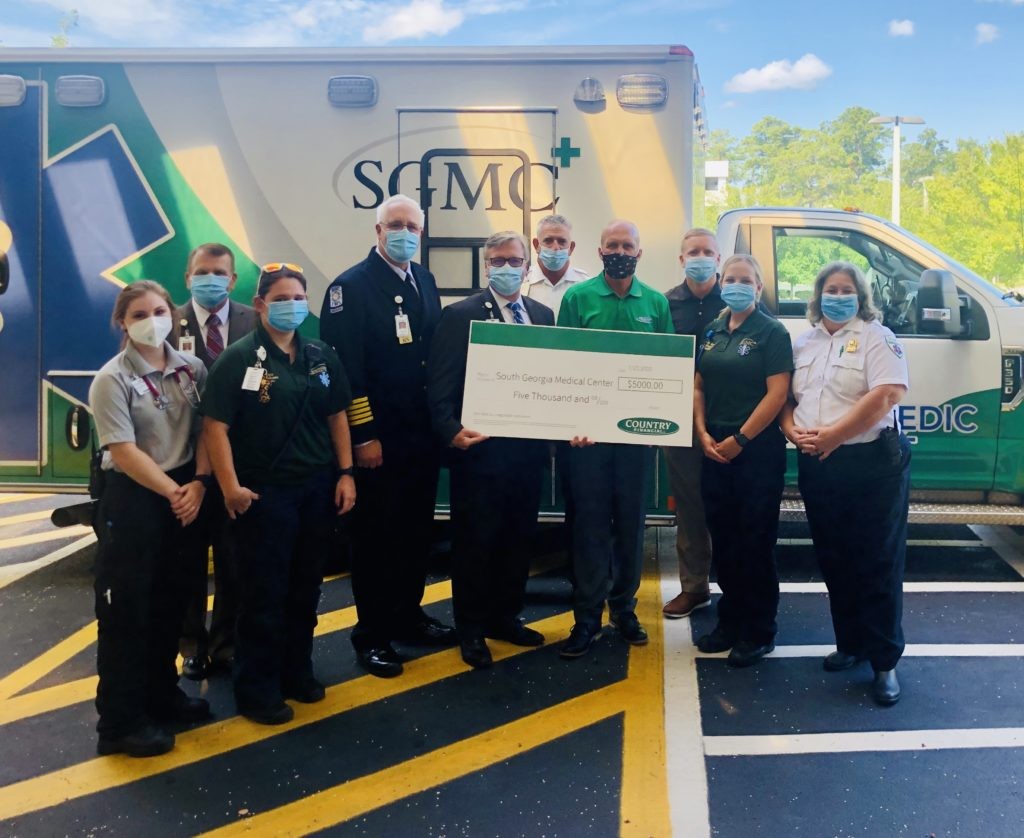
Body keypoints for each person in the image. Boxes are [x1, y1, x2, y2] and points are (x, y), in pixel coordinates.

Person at [202, 263, 356, 725]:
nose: (292, 306)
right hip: (263, 494)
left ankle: (296, 670)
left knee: (305, 588)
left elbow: (337, 417)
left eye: (298, 297)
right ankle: (257, 687)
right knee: (263, 593)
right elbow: (215, 427)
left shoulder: (320, 355)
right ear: (260, 304)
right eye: (282, 298)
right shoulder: (239, 359)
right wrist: (229, 488)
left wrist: (346, 473)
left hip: (314, 490)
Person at [319, 194, 456, 678]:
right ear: (377, 231)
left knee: (415, 533)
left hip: (420, 437)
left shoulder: (425, 279)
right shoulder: (350, 288)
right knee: (375, 539)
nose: (404, 233)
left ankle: (408, 615)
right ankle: (372, 635)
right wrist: (363, 435)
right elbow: (344, 371)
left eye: (412, 226)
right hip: (378, 441)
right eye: (394, 225)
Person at [89, 280, 212, 757]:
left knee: (170, 603)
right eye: (138, 314)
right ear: (123, 322)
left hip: (184, 491)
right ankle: (119, 723)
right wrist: (175, 492)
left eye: (159, 310)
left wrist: (199, 483)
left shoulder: (191, 369)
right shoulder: (112, 379)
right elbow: (122, 450)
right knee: (126, 613)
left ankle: (162, 696)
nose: (151, 321)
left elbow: (205, 429)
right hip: (135, 498)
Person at [780, 261, 910, 706]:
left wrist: (835, 435)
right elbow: (786, 397)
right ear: (817, 296)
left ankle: (884, 663)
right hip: (819, 464)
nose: (838, 295)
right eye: (830, 289)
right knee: (835, 558)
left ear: (861, 296)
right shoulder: (804, 342)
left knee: (876, 562)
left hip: (871, 463)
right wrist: (788, 429)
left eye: (846, 289)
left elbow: (887, 394)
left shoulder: (878, 336)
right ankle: (851, 643)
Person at [427, 231, 554, 669]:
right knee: (475, 543)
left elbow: (555, 382)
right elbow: (439, 385)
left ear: (526, 265)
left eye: (514, 260)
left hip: (528, 454)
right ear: (486, 267)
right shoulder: (460, 315)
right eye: (497, 260)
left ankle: (505, 617)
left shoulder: (542, 314)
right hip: (479, 453)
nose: (506, 267)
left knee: (518, 540)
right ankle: (471, 628)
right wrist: (449, 431)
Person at [556, 219, 673, 658]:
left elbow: (665, 372)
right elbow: (564, 365)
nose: (619, 251)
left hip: (635, 439)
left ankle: (624, 609)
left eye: (627, 245)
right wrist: (571, 423)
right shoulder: (577, 298)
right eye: (612, 245)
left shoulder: (656, 303)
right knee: (587, 528)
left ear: (639, 254)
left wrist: (663, 425)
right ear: (599, 250)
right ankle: (585, 619)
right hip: (587, 440)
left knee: (631, 526)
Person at [693, 254, 793, 667]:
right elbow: (698, 385)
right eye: (730, 279)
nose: (736, 285)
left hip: (756, 454)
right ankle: (729, 622)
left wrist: (741, 438)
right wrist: (701, 433)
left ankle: (759, 630)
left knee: (755, 542)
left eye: (745, 280)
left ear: (758, 287)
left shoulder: (772, 332)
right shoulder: (714, 328)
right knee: (726, 542)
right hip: (714, 450)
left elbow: (778, 394)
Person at [174, 242, 257, 681]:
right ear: (188, 278)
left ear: (233, 278)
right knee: (188, 562)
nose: (211, 279)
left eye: (219, 272)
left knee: (233, 560)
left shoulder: (252, 320)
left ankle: (226, 644)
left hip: (236, 465)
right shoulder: (166, 322)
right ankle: (192, 646)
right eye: (202, 272)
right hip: (183, 467)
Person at [661, 228, 721, 620]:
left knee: (730, 505)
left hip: (730, 418)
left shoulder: (738, 299)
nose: (700, 257)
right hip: (679, 420)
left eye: (707, 252)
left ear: (719, 258)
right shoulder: (664, 305)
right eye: (692, 252)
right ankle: (694, 587)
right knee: (690, 506)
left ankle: (736, 587)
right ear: (681, 259)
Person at [521, 214, 590, 318]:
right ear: (536, 245)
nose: (556, 247)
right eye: (548, 241)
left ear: (571, 247)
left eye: (562, 241)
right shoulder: (521, 284)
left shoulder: (586, 285)